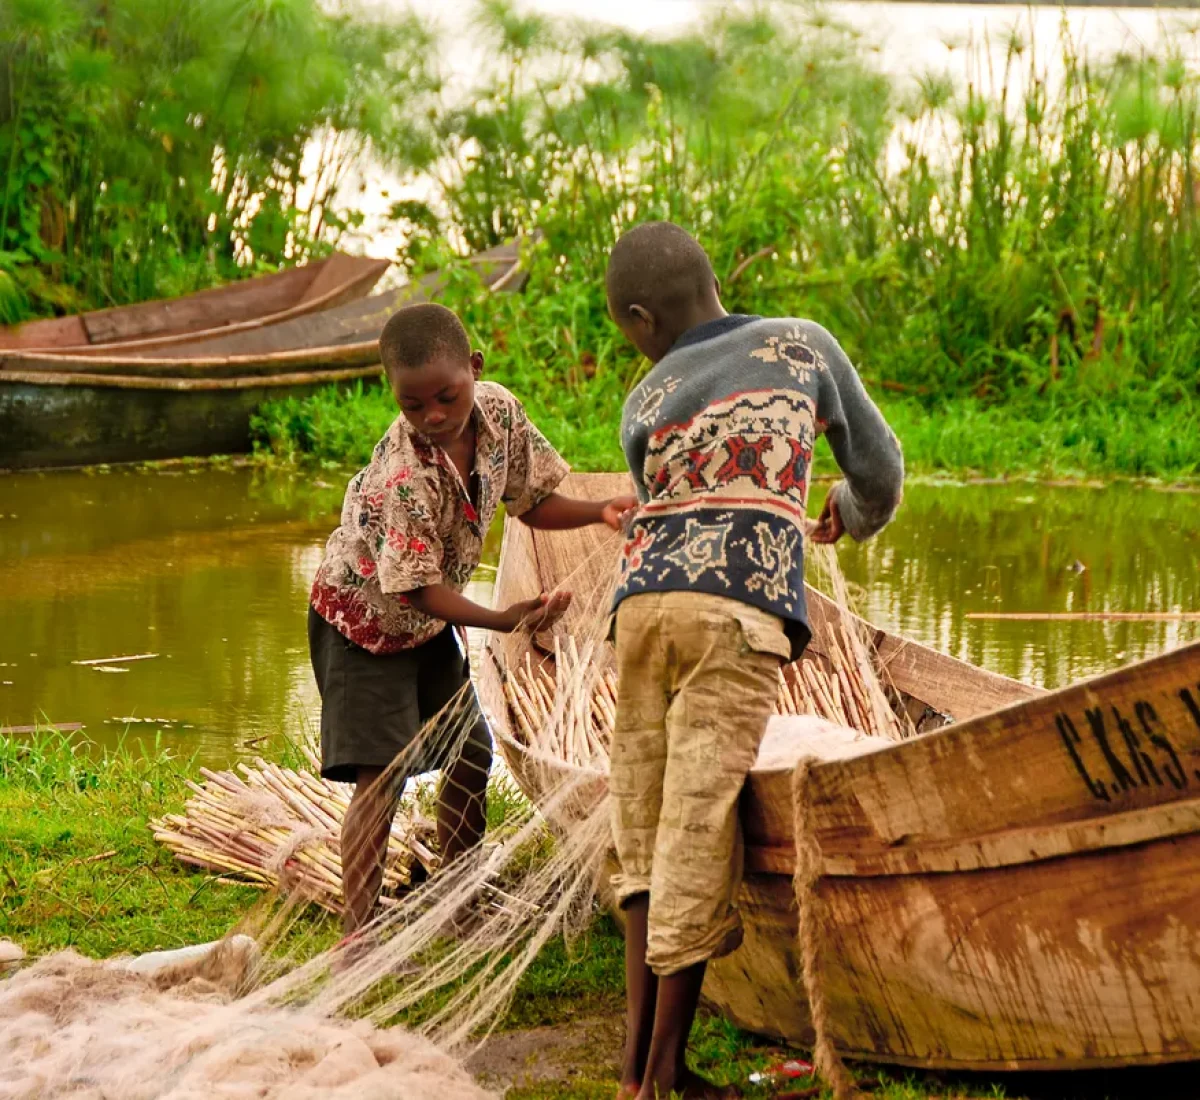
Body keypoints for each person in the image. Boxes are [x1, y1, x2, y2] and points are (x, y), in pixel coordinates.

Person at [605, 222, 904, 1099]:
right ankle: (662, 1077)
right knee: (698, 825)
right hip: (734, 615)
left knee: (641, 819)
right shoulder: (801, 345)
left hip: (639, 610)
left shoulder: (642, 397)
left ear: (639, 318)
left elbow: (661, 495)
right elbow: (879, 469)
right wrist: (850, 509)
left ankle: (632, 1066)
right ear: (709, 284)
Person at [308, 301, 635, 942]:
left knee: (470, 753)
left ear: (475, 369)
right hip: (365, 626)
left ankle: (459, 900)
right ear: (395, 399)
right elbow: (421, 591)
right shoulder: (405, 476)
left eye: (446, 397)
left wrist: (600, 511)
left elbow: (531, 504)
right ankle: (359, 935)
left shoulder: (501, 415)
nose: (432, 416)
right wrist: (504, 617)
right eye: (413, 405)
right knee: (382, 774)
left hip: (428, 624)